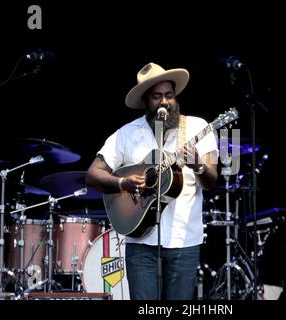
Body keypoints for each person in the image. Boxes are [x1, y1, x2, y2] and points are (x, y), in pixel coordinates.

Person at [85, 62, 219, 300]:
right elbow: (93, 174)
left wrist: (197, 164)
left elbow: (211, 181)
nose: (165, 102)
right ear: (146, 101)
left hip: (184, 241)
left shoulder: (199, 127)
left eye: (169, 95)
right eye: (157, 96)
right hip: (141, 241)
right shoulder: (127, 134)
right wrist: (122, 183)